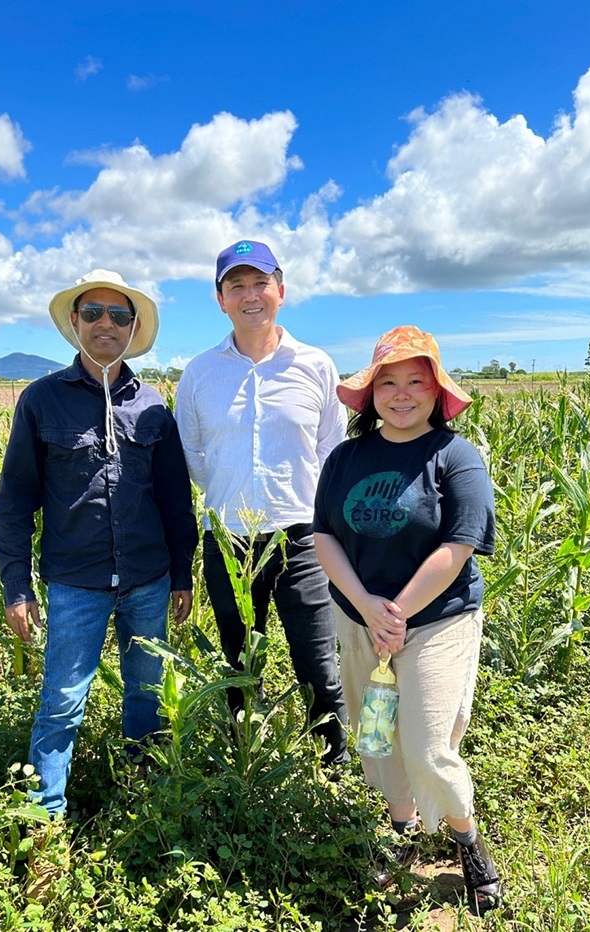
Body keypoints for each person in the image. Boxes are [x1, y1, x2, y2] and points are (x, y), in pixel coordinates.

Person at [0, 269, 199, 824]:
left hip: (149, 579)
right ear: (75, 323)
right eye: (93, 313)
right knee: (61, 702)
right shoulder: (41, 401)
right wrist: (16, 584)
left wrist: (183, 573)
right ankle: (45, 822)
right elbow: (14, 501)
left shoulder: (154, 406)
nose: (106, 324)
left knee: (147, 692)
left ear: (133, 328)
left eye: (120, 315)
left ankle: (145, 794)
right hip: (74, 581)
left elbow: (176, 501)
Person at [312, 325, 504, 916]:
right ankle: (401, 829)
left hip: (436, 623)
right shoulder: (345, 458)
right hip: (360, 622)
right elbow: (323, 535)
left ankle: (467, 838)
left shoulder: (454, 455)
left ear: (435, 390)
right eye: (387, 382)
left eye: (414, 382)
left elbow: (461, 543)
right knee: (376, 742)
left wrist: (396, 612)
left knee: (425, 745)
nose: (400, 394)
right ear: (370, 394)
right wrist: (368, 607)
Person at [175, 239, 349, 765]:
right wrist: (232, 491)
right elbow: (192, 453)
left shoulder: (316, 365)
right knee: (237, 657)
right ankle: (244, 758)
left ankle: (336, 761)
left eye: (260, 283)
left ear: (281, 290)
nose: (250, 295)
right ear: (220, 298)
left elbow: (331, 452)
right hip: (228, 539)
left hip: (301, 539)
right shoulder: (200, 373)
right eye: (237, 286)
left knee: (317, 660)